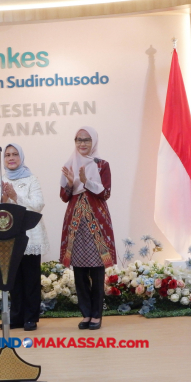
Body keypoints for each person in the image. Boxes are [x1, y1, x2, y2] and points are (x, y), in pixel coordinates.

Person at [0, 143, 49, 332]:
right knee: (12, 279)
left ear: (21, 157)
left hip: (30, 236)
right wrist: (4, 200)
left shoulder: (32, 179)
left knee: (30, 278)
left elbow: (38, 205)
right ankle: (16, 317)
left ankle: (31, 318)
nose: (11, 158)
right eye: (7, 155)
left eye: (15, 154)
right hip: (9, 237)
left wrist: (15, 197)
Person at [60, 126, 116, 331]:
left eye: (86, 139)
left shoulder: (102, 165)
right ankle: (86, 314)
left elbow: (105, 193)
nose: (82, 143)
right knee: (80, 270)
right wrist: (69, 183)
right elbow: (64, 197)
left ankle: (96, 315)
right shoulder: (69, 164)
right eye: (78, 139)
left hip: (96, 221)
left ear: (93, 142)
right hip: (75, 222)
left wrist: (86, 182)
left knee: (97, 268)